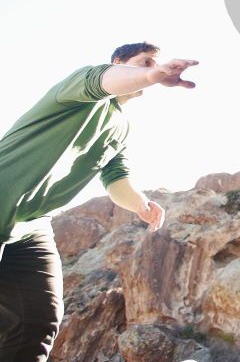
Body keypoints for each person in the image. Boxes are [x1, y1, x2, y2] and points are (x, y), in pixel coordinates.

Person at [0, 42, 199, 361]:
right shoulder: (82, 86)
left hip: (32, 227)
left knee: (36, 319)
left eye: (154, 63)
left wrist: (140, 204)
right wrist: (152, 74)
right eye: (143, 62)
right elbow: (104, 79)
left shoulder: (121, 127)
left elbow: (115, 177)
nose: (152, 68)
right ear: (120, 63)